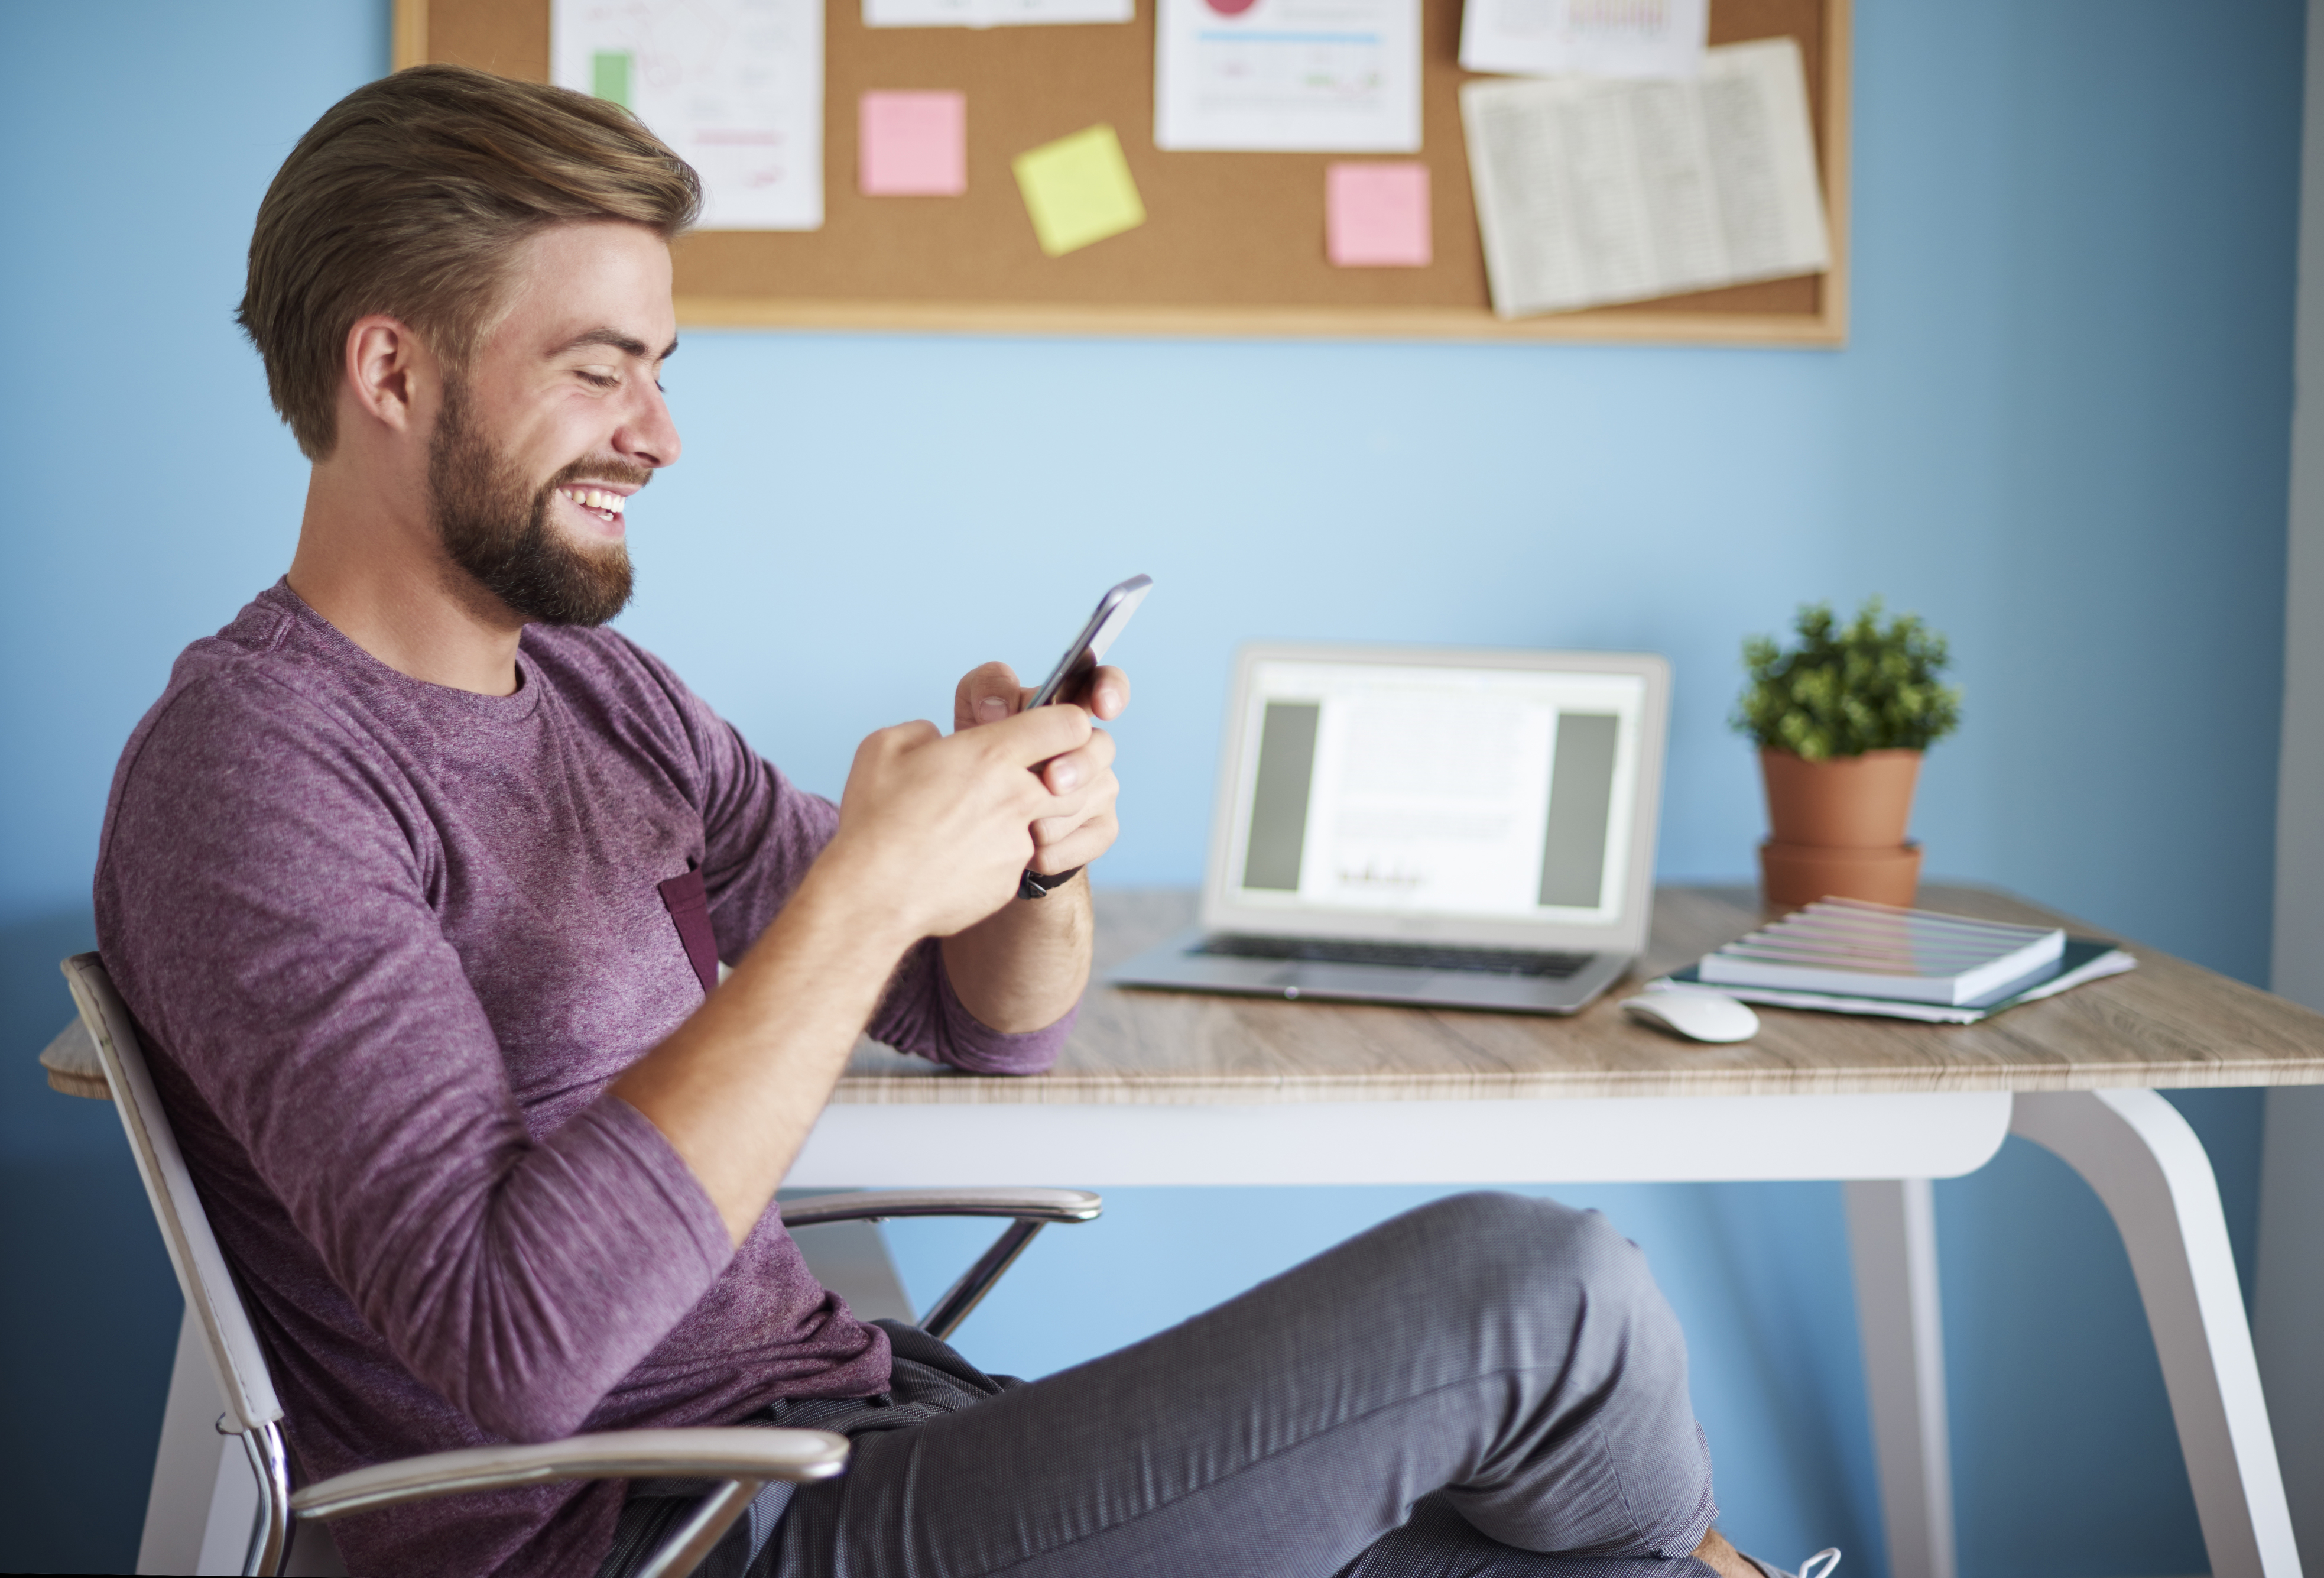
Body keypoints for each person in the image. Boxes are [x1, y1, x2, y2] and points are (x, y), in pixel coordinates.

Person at [93, 64, 1834, 1578]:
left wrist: (1030, 860)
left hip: (879, 1445)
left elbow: (985, 1024)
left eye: (667, 370)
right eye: (602, 371)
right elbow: (512, 1349)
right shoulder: (253, 779)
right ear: (389, 371)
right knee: (1541, 1294)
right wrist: (864, 885)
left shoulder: (602, 699)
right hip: (677, 1534)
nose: (665, 433)